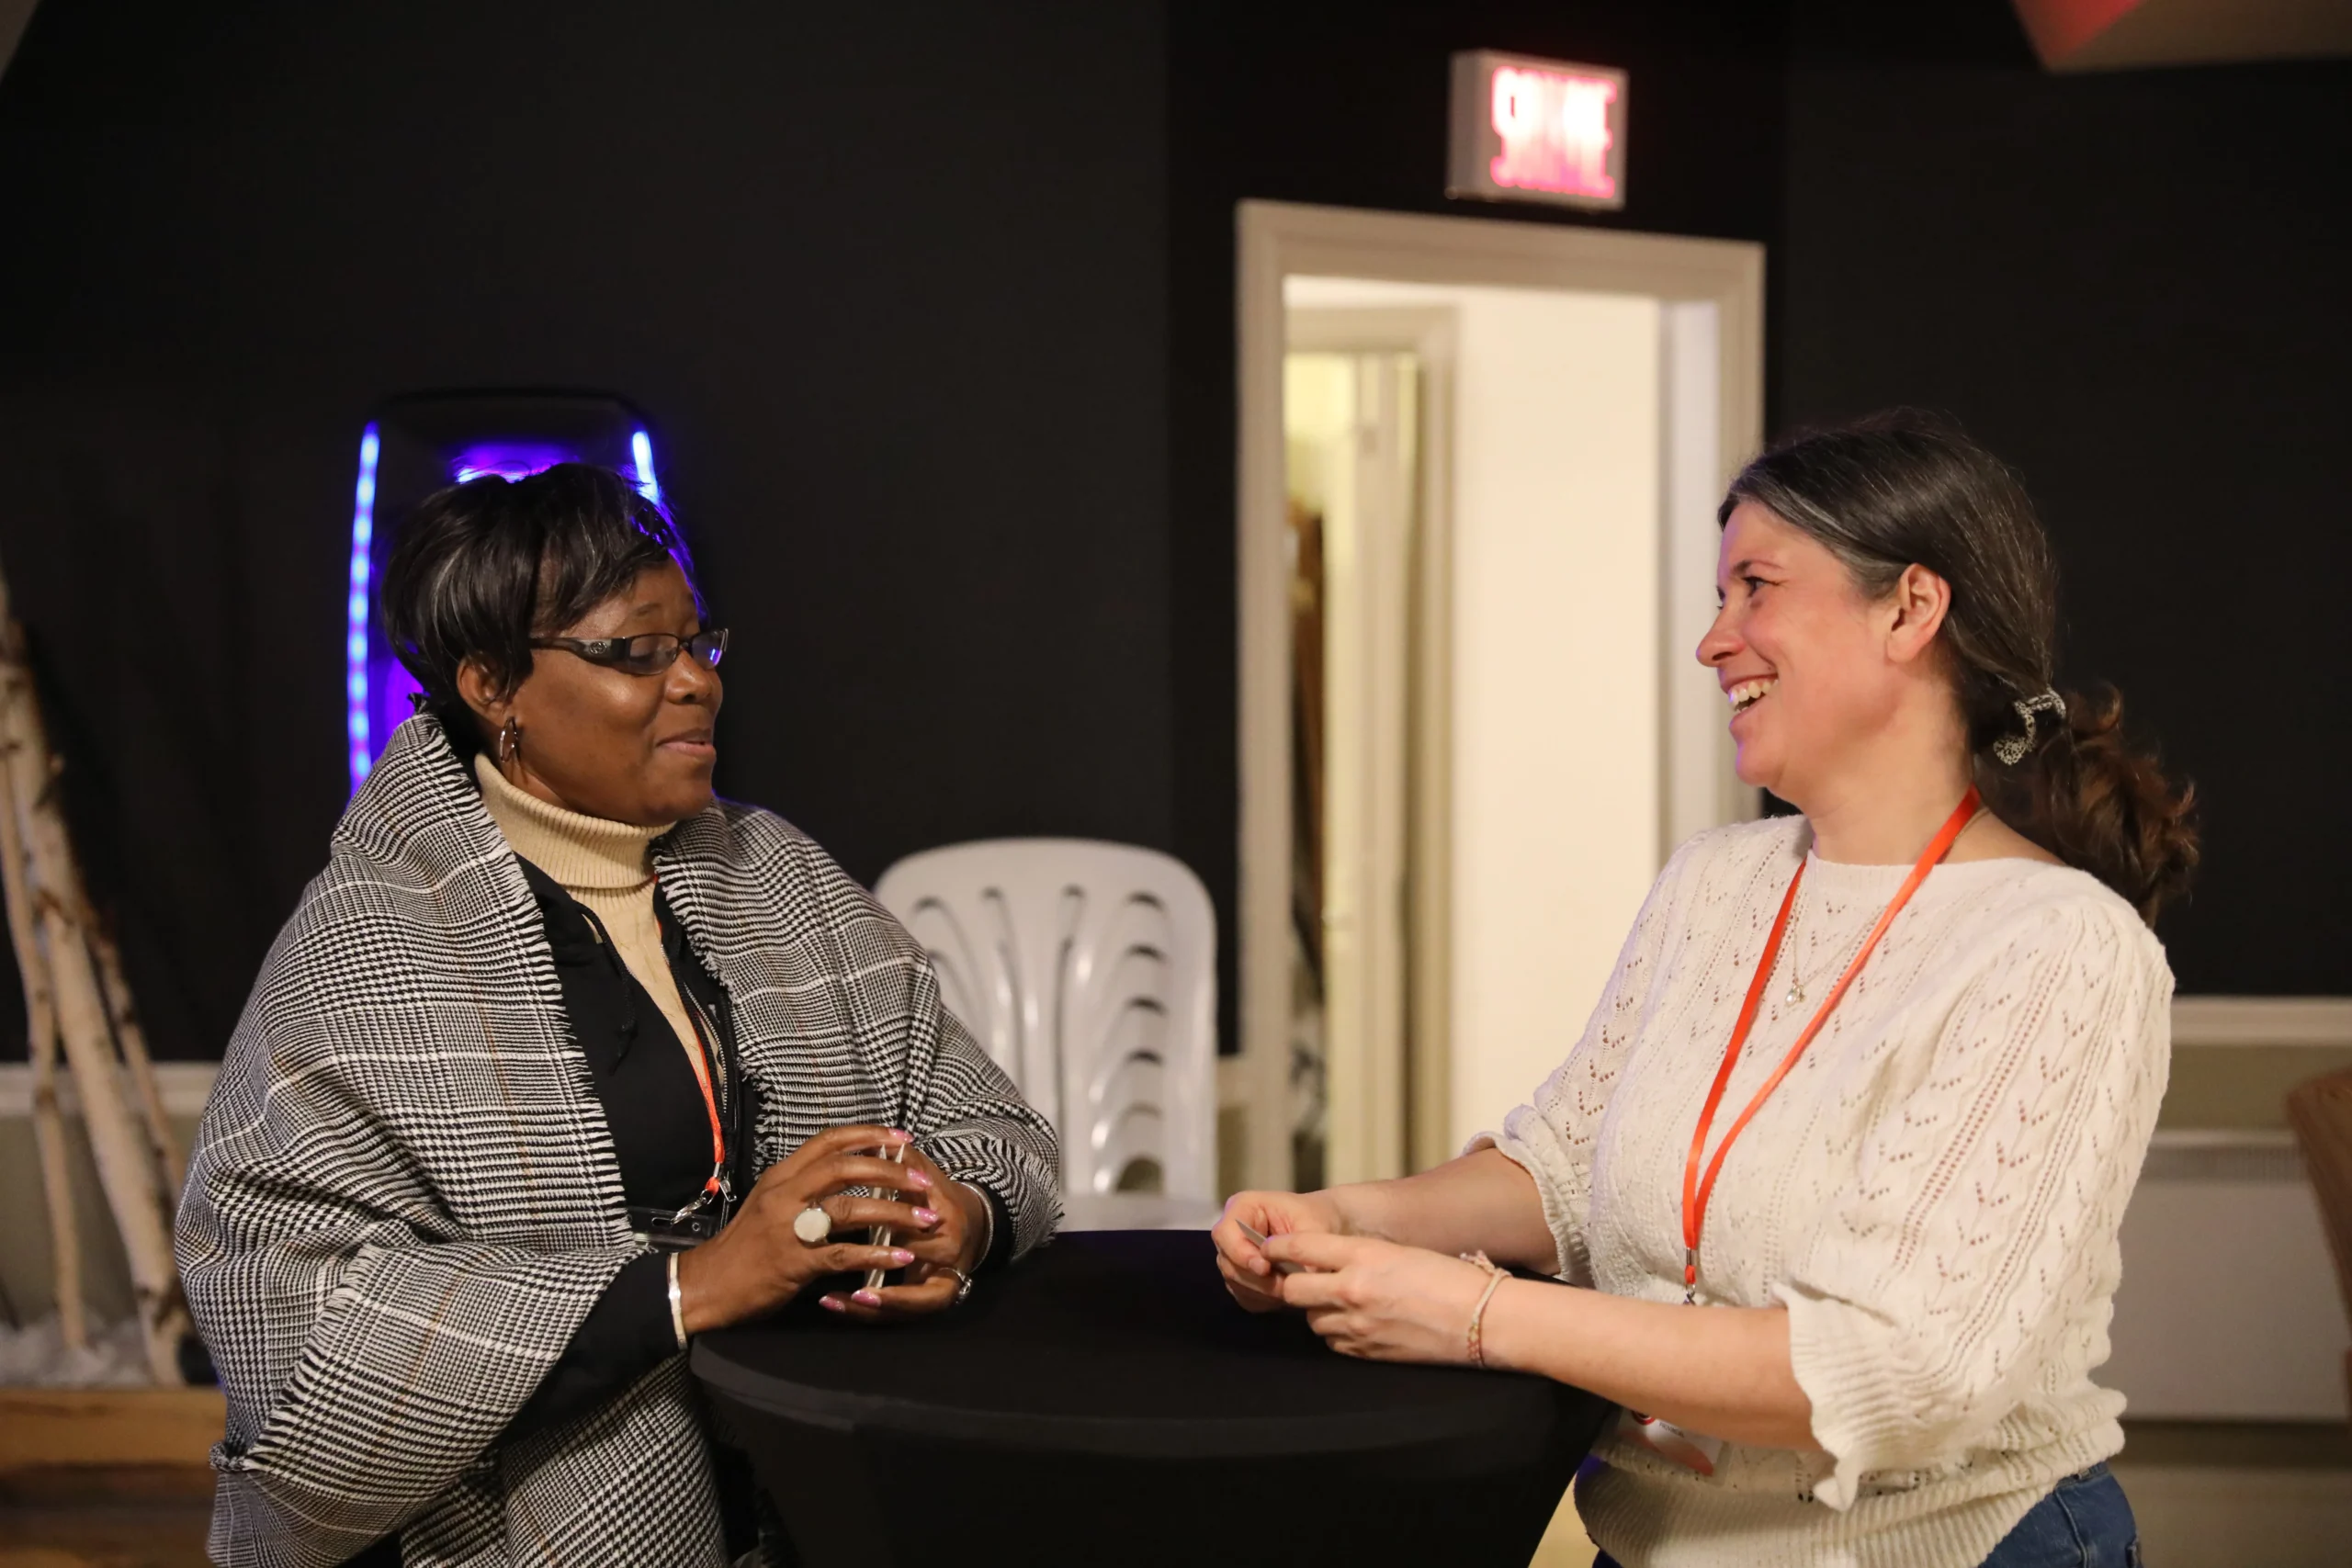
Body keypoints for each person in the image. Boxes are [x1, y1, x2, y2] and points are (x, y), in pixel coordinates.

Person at [1213, 413, 2193, 1567]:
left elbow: (1897, 1371)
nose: (1713, 641)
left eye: (1755, 588)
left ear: (1910, 609)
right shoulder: (1714, 884)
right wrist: (1351, 1219)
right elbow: (1563, 1172)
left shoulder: (2061, 947)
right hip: (1656, 1543)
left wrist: (1476, 1317)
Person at [177, 465, 1060, 1568]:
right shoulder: (371, 947)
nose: (694, 682)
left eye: (697, 643)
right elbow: (296, 1326)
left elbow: (995, 1129)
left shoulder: (781, 876)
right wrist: (691, 1287)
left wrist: (954, 1216)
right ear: (493, 684)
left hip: (832, 1500)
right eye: (636, 651)